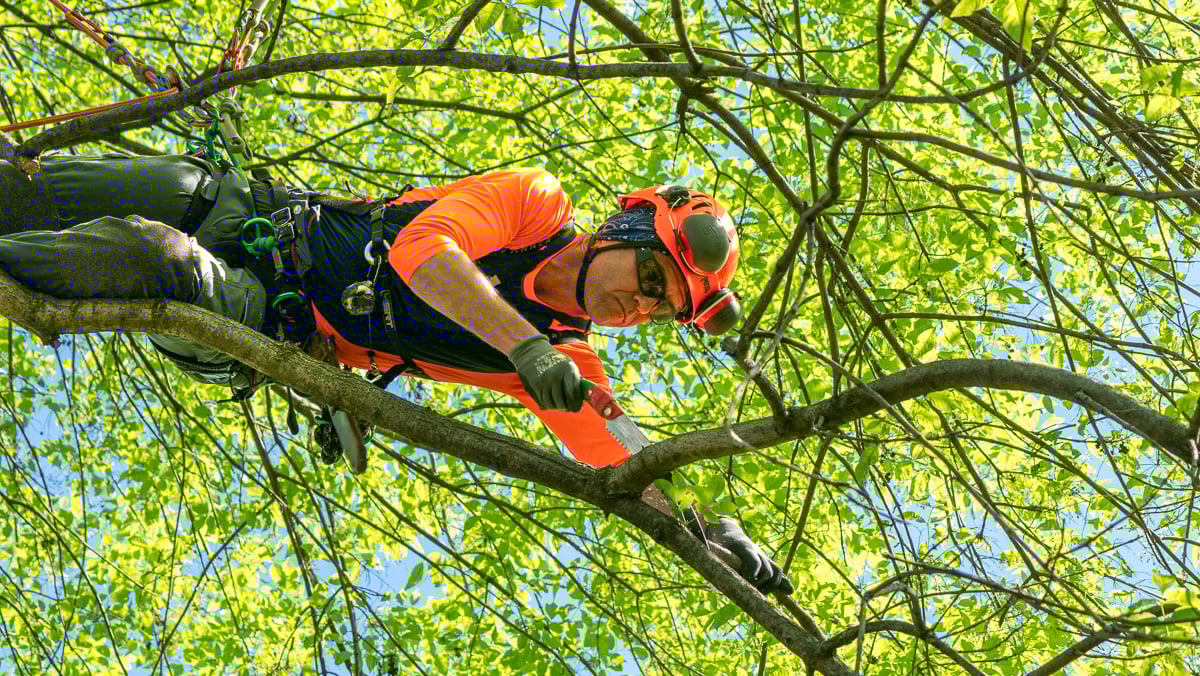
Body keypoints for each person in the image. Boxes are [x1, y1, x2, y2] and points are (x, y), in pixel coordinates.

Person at [0, 151, 793, 594]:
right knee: (16, 186)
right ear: (624, 229)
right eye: (649, 278)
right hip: (243, 208)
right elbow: (424, 251)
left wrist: (705, 527)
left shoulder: (569, 366)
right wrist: (525, 345)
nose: (637, 306)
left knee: (156, 260)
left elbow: (624, 454)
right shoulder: (534, 205)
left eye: (658, 310)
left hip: (264, 320)